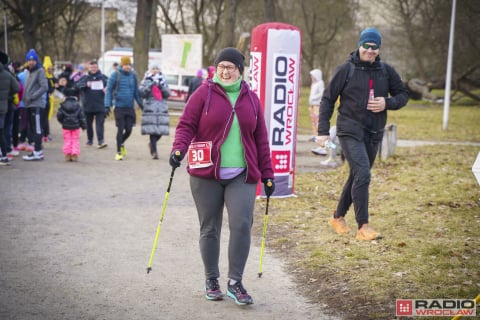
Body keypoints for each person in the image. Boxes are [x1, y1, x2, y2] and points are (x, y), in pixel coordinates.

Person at [169, 47, 275, 306]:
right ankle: (211, 279)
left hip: (242, 174)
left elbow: (261, 138)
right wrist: (178, 148)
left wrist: (268, 173)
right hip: (206, 173)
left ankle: (235, 282)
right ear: (215, 68)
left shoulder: (251, 98)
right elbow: (185, 126)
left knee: (241, 224)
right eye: (221, 66)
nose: (226, 71)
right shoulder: (202, 94)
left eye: (231, 67)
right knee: (210, 228)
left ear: (240, 70)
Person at [316, 28, 409, 241]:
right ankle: (363, 226)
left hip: (374, 132)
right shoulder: (346, 70)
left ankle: (338, 217)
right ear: (360, 45)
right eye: (366, 46)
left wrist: (388, 102)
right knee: (364, 174)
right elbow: (328, 99)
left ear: (379, 48)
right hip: (349, 130)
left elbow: (403, 95)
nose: (370, 50)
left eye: (374, 47)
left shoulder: (386, 71)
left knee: (358, 175)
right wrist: (322, 131)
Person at [104, 56, 143, 161]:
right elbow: (108, 91)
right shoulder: (115, 75)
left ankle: (121, 143)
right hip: (119, 107)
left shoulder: (133, 76)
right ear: (122, 65)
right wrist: (107, 105)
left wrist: (141, 104)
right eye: (125, 65)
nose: (127, 67)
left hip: (130, 107)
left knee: (129, 129)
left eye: (129, 65)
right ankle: (118, 152)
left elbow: (136, 92)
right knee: (120, 129)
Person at [22, 49, 49, 161]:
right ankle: (35, 151)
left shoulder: (40, 71)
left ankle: (38, 152)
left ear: (36, 60)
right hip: (29, 105)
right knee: (32, 129)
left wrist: (33, 96)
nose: (31, 62)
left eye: (33, 60)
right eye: (29, 60)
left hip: (37, 105)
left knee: (37, 129)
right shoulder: (28, 71)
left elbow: (44, 87)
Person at [75, 59, 109, 148]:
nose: (93, 69)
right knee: (88, 124)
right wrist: (86, 85)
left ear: (97, 67)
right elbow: (77, 86)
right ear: (88, 68)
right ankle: (90, 140)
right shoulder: (85, 78)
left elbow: (111, 86)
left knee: (100, 124)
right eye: (92, 67)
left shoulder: (103, 77)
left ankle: (101, 141)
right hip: (87, 105)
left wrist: (107, 90)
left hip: (100, 105)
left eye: (95, 67)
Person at [139, 74, 170, 159]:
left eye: (157, 69)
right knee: (153, 131)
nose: (155, 70)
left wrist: (161, 86)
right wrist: (150, 85)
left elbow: (167, 94)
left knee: (161, 131)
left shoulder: (163, 81)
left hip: (161, 109)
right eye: (153, 69)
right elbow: (142, 93)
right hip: (150, 109)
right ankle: (154, 152)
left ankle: (152, 144)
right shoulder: (146, 80)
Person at [0, 51, 20, 165]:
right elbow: (17, 88)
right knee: (2, 130)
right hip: (3, 106)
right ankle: (4, 155)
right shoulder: (7, 74)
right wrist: (7, 94)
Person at [56, 88, 86, 161]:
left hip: (66, 126)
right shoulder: (78, 105)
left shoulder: (63, 105)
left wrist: (62, 122)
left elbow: (59, 115)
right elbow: (81, 116)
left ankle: (67, 154)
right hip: (76, 126)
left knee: (67, 139)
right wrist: (83, 126)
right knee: (75, 139)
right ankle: (74, 154)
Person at [308, 69, 326, 155]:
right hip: (312, 105)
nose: (312, 78)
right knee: (314, 122)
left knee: (318, 123)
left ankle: (323, 144)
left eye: (313, 76)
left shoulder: (320, 83)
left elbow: (322, 93)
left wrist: (314, 98)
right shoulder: (313, 84)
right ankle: (316, 135)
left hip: (317, 105)